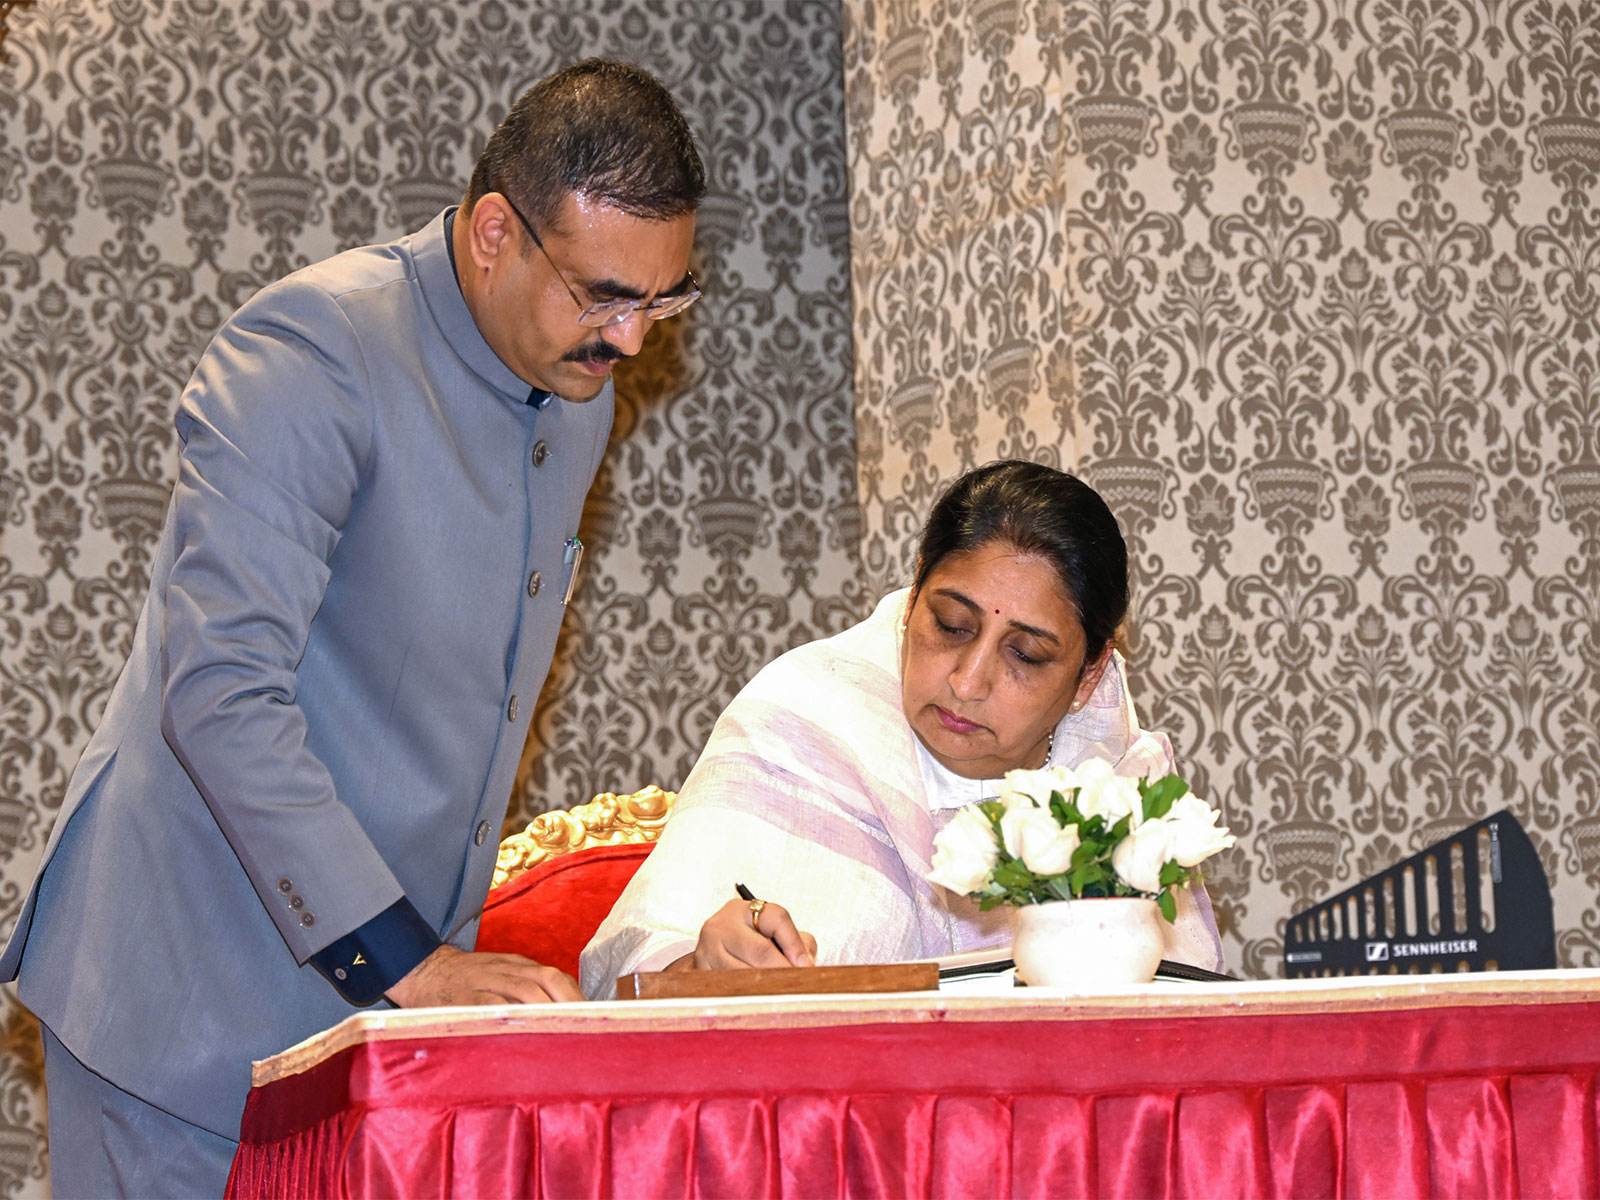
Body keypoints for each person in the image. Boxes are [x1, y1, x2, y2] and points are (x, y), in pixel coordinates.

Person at [0, 58, 704, 1197]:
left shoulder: (575, 391)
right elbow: (220, 692)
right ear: (495, 233)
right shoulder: (313, 350)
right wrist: (411, 964)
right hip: (182, 1005)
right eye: (603, 295)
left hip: (370, 1029)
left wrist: (420, 979)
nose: (629, 340)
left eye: (661, 301)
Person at [581, 460, 1224, 998]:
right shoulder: (804, 718)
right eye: (951, 625)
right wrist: (702, 967)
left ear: (1090, 674)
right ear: (915, 592)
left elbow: (1183, 1008)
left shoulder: (1114, 791)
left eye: (1025, 655)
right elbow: (626, 973)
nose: (968, 682)